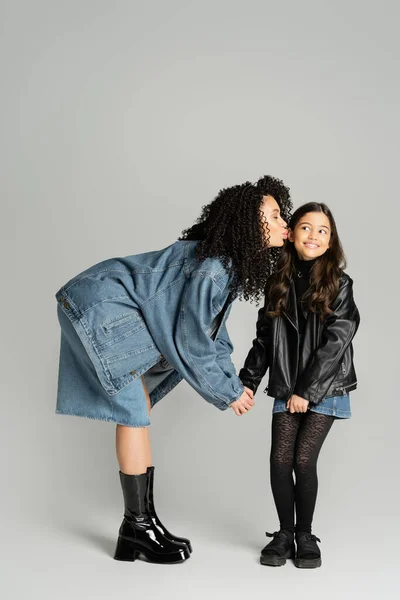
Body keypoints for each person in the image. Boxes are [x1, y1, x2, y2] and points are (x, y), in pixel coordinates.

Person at [55, 175, 292, 564]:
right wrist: (228, 392)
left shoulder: (222, 266)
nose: (284, 222)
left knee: (138, 407)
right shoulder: (213, 268)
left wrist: (231, 381)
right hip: (97, 305)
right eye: (274, 215)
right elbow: (191, 340)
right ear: (248, 224)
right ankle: (138, 527)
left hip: (98, 300)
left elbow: (213, 333)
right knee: (134, 411)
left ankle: (139, 527)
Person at [239, 202, 360, 569]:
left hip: (325, 385)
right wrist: (247, 380)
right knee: (280, 459)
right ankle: (285, 534)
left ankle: (305, 535)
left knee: (304, 460)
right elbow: (264, 337)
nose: (314, 235)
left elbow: (338, 340)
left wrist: (305, 391)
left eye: (322, 230)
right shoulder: (277, 280)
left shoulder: (340, 283)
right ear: (291, 234)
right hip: (286, 383)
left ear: (330, 239)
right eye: (306, 227)